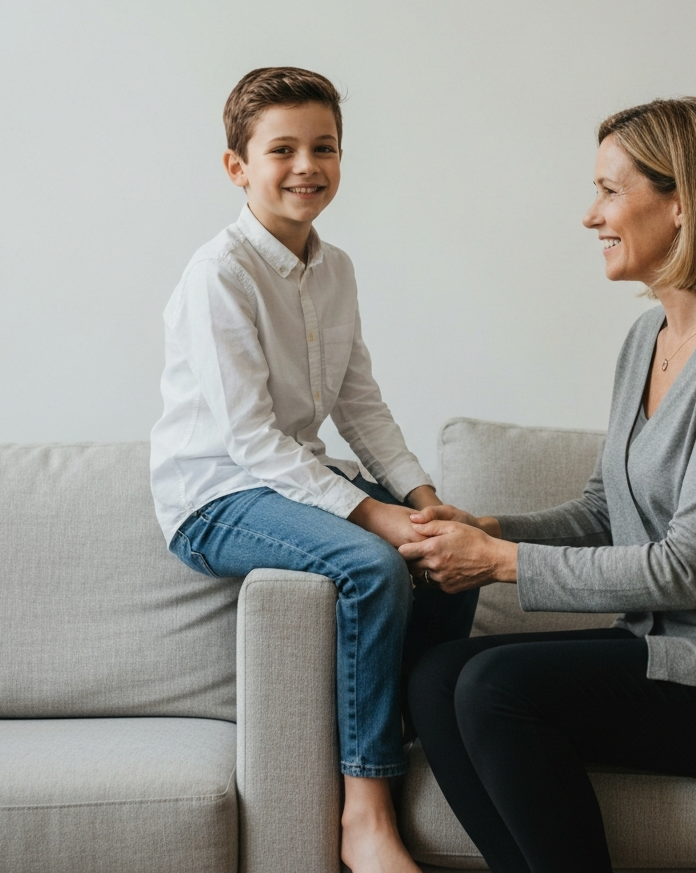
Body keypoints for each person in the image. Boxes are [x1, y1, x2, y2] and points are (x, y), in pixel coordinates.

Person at [399, 97, 696, 873]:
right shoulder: (647, 337)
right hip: (671, 647)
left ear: (682, 201)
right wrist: (490, 526)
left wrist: (496, 562)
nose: (591, 216)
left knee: (495, 687)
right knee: (439, 676)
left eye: (610, 191)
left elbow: (689, 568)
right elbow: (603, 510)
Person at [149, 66, 477, 873]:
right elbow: (253, 443)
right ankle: (364, 812)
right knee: (373, 567)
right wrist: (374, 517)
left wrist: (427, 504)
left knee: (450, 555)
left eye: (323, 147)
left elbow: (360, 407)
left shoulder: (338, 271)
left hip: (288, 478)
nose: (307, 166)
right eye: (283, 149)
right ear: (239, 167)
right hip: (216, 495)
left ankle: (409, 740)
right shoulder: (219, 274)